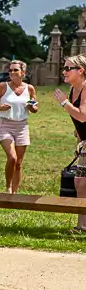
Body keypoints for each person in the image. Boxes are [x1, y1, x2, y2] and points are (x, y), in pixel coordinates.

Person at [0, 60, 38, 194]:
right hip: (5, 125)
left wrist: (31, 107)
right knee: (12, 157)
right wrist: (0, 107)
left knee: (19, 163)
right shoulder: (2, 86)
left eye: (15, 70)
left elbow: (35, 108)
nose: (12, 72)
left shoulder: (29, 88)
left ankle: (15, 194)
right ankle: (8, 188)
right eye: (10, 70)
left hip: (22, 127)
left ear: (23, 72)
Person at [53, 55, 86, 232]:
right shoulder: (74, 89)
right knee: (80, 183)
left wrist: (64, 102)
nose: (64, 71)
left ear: (80, 71)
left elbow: (82, 115)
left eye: (68, 68)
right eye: (64, 68)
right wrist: (79, 141)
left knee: (81, 182)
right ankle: (82, 226)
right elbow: (80, 123)